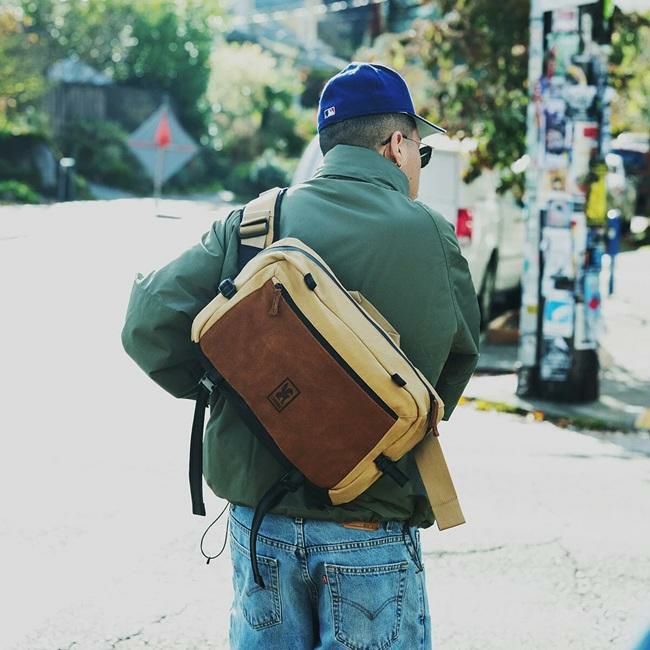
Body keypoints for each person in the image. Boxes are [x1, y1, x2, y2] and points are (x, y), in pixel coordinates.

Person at [121, 62, 480, 649]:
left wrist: (244, 387)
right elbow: (455, 365)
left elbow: (146, 324)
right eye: (421, 151)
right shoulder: (432, 236)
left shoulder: (253, 224)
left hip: (261, 527)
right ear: (396, 145)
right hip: (369, 527)